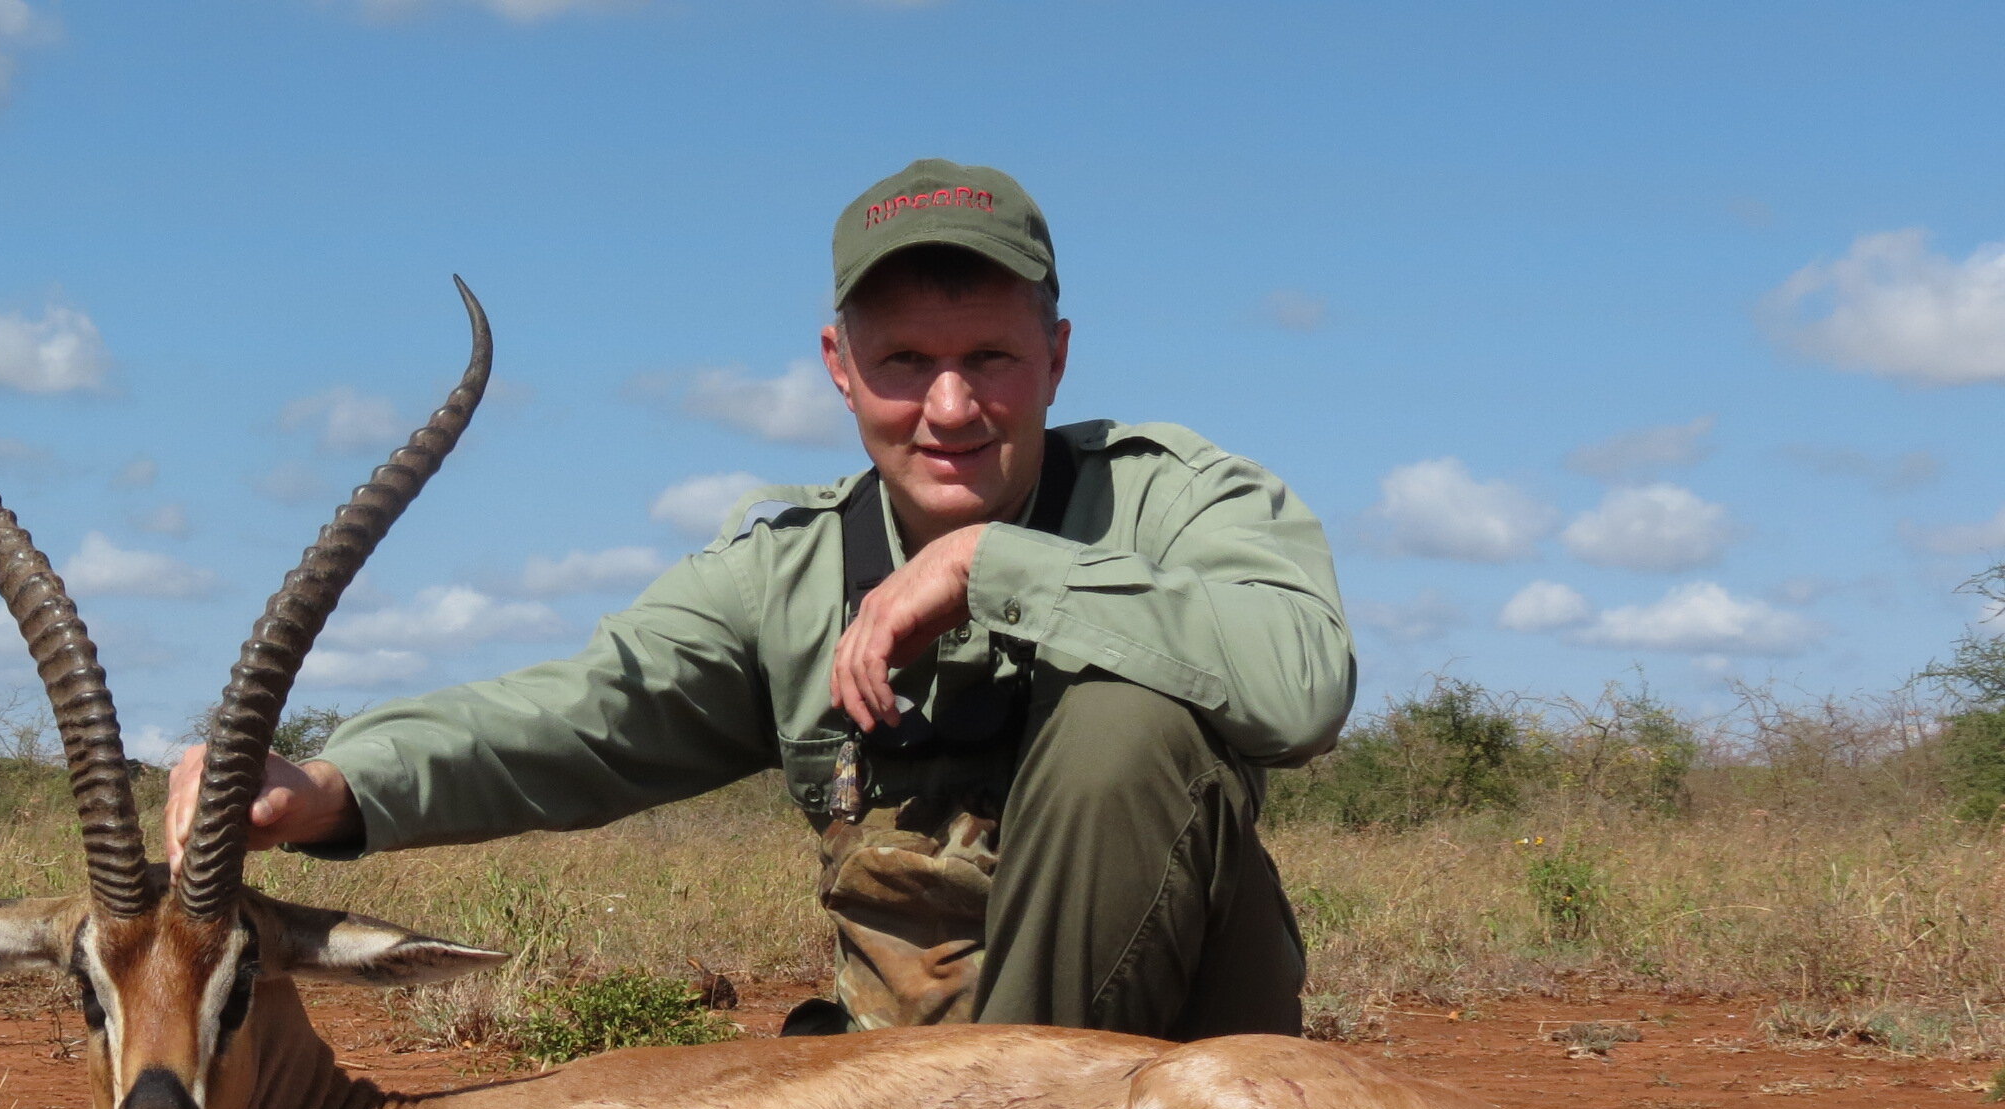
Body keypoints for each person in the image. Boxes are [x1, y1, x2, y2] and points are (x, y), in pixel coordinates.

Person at [165, 158, 1354, 1039]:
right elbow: (577, 715)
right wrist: (328, 784)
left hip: (1181, 1077)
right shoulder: (786, 572)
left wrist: (986, 566)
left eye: (988, 357)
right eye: (902, 363)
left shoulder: (1176, 500)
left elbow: (1300, 685)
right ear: (838, 369)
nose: (948, 407)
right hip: (903, 1100)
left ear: (1054, 356)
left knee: (1124, 723)